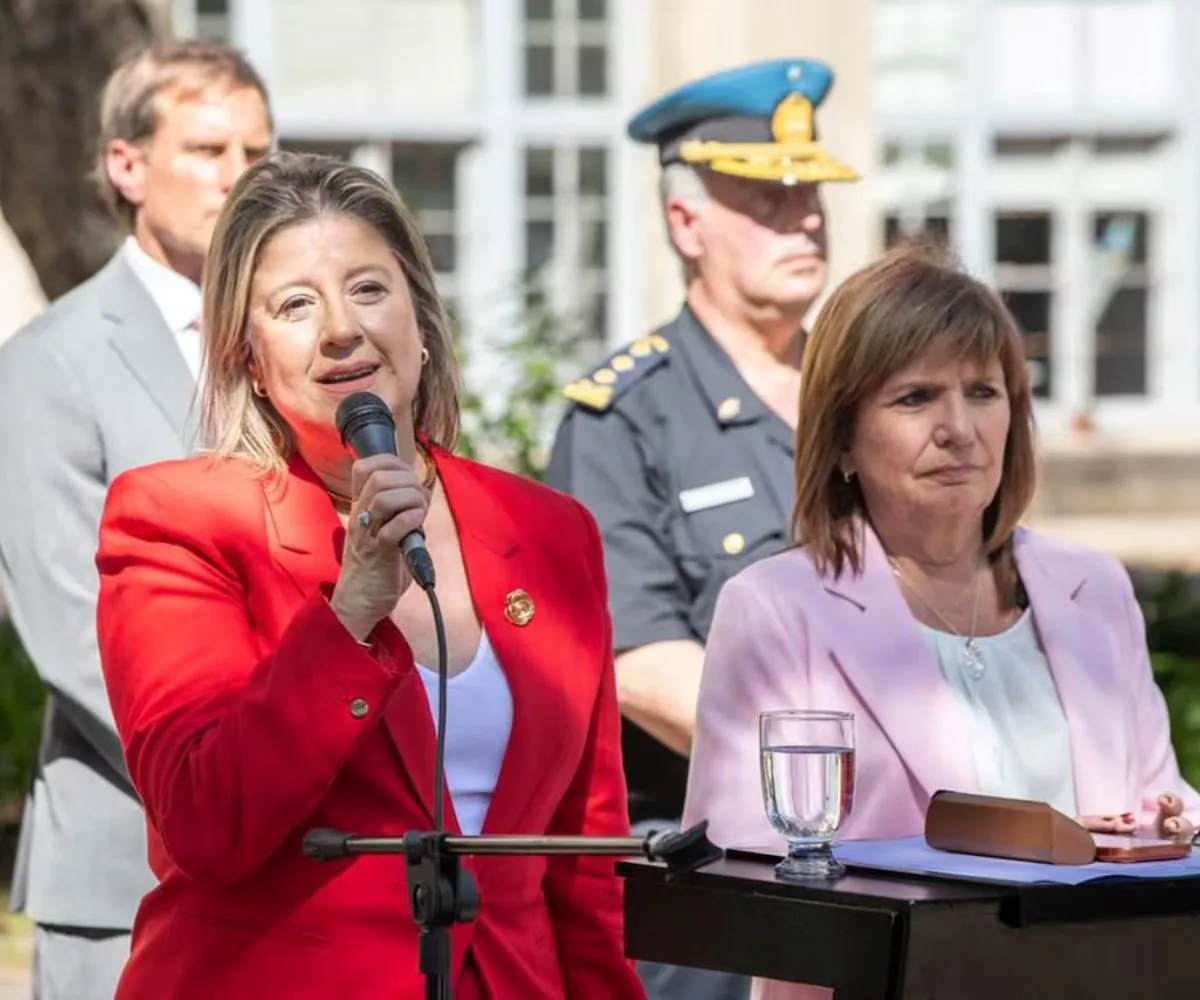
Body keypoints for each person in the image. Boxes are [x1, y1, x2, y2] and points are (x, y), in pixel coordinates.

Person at [91, 151, 645, 1000]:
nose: (341, 328)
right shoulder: (177, 521)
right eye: (296, 305)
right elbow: (205, 824)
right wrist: (347, 616)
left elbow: (585, 861)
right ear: (248, 357)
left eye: (368, 290)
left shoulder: (551, 532)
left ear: (422, 323)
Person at [683, 244, 1200, 1000]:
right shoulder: (774, 606)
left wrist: (1165, 828)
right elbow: (738, 865)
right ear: (843, 439)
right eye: (916, 397)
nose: (959, 427)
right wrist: (1013, 856)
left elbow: (1165, 806)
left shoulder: (1094, 586)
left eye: (984, 392)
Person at [546, 58, 859, 1000]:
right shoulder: (622, 418)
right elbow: (639, 664)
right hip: (713, 883)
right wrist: (852, 769)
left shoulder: (868, 397)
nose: (803, 215)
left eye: (810, 191)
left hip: (884, 868)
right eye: (767, 196)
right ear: (686, 222)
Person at [0, 39, 273, 999]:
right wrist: (254, 771)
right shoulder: (50, 361)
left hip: (303, 854)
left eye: (257, 153)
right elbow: (73, 630)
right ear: (128, 165)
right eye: (207, 151)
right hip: (130, 860)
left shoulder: (291, 348)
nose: (239, 178)